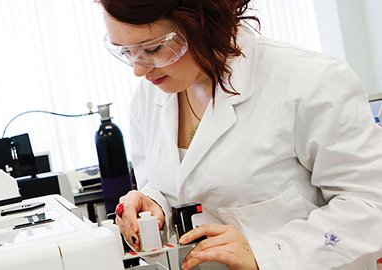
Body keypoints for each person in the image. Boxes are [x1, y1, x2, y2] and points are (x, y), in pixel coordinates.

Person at [97, 0, 382, 269]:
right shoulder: (150, 95)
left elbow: (371, 207)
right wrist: (153, 204)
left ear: (201, 22)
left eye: (153, 48)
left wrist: (264, 253)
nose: (137, 69)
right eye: (126, 51)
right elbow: (173, 187)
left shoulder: (311, 81)